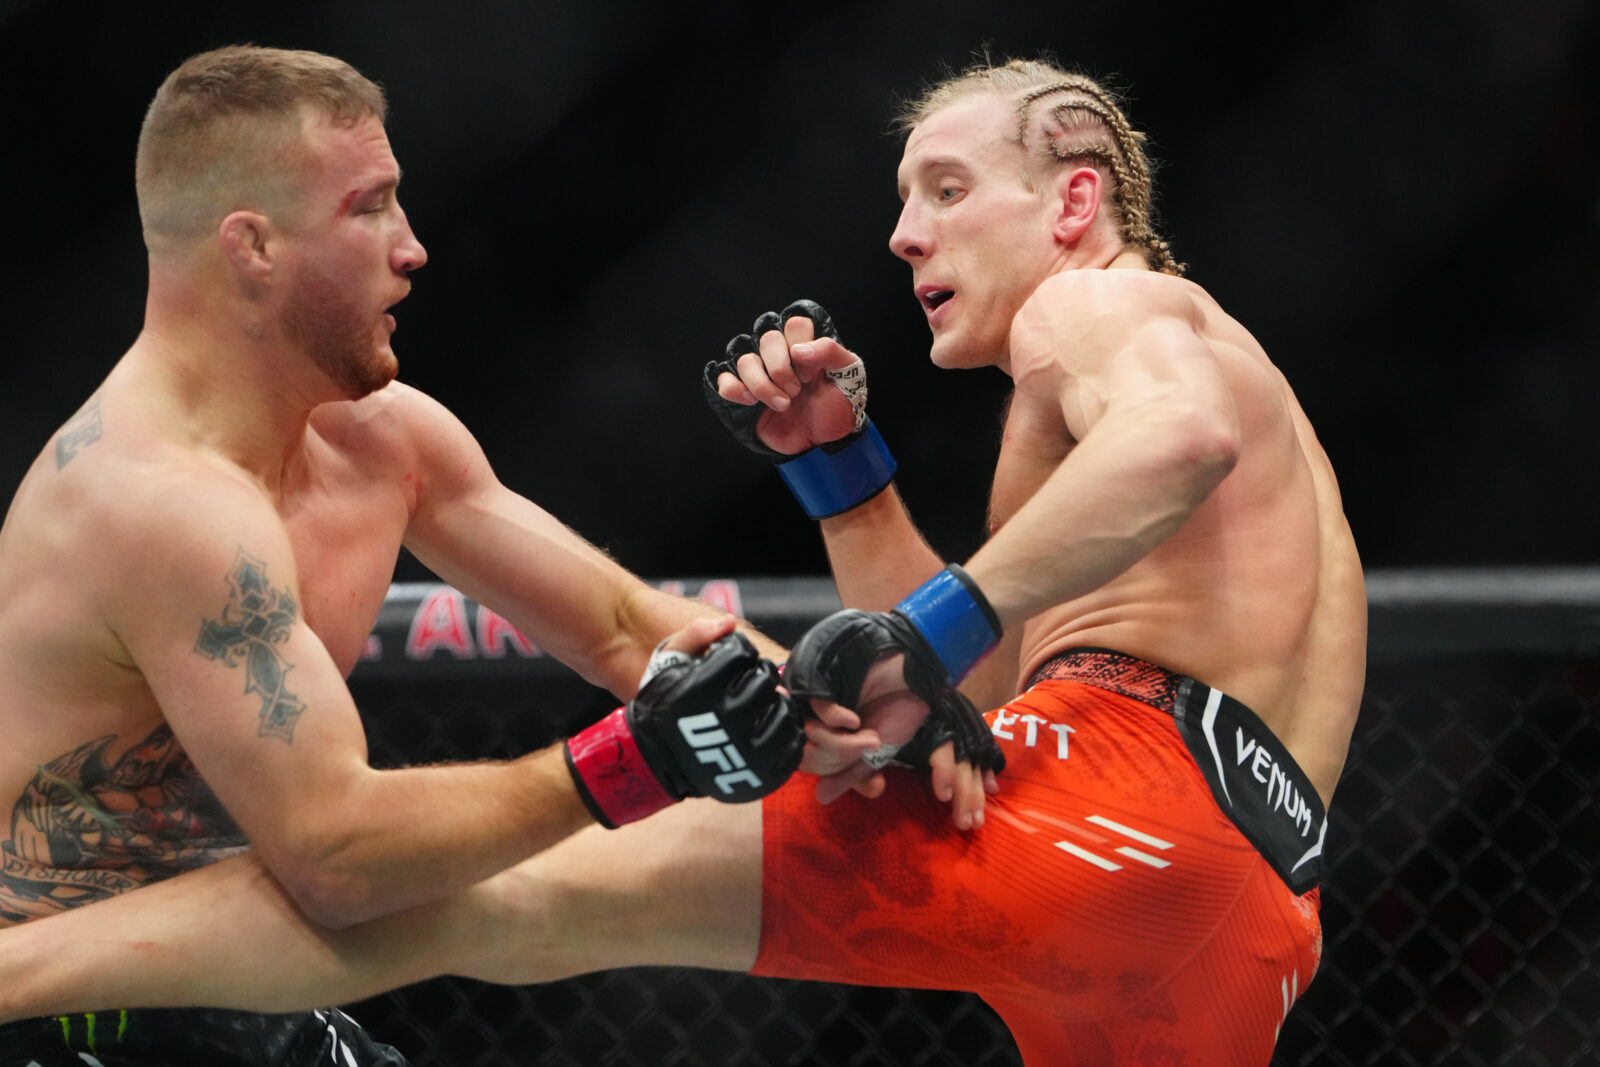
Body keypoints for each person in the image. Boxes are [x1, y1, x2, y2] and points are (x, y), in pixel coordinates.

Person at [0, 58, 1365, 1066]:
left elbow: (1167, 450)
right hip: (1233, 919)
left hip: (1123, 801)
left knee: (484, 899)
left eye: (947, 190)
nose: (905, 233)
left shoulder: (1102, 303)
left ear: (1075, 201)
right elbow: (973, 699)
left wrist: (932, 629)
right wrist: (843, 477)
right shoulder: (165, 487)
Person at [0, 44, 821, 1067]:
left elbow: (625, 627)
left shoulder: (379, 439)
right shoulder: (153, 500)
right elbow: (335, 854)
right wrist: (632, 759)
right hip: (66, 1025)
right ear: (252, 245)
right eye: (369, 207)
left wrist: (837, 715)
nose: (414, 247)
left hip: (262, 994)